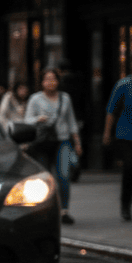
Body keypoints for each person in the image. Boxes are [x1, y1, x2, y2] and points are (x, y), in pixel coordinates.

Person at [25, 68, 82, 225]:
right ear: (42, 82)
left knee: (63, 176)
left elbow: (71, 121)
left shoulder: (65, 98)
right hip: (42, 143)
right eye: (47, 79)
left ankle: (64, 211)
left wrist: (77, 142)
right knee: (44, 179)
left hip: (62, 141)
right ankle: (43, 211)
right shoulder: (35, 99)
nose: (50, 82)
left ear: (58, 81)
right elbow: (27, 120)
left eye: (53, 79)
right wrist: (38, 119)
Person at [103, 53, 132, 221]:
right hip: (126, 134)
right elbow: (111, 111)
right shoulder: (123, 85)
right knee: (130, 168)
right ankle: (125, 204)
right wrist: (107, 133)